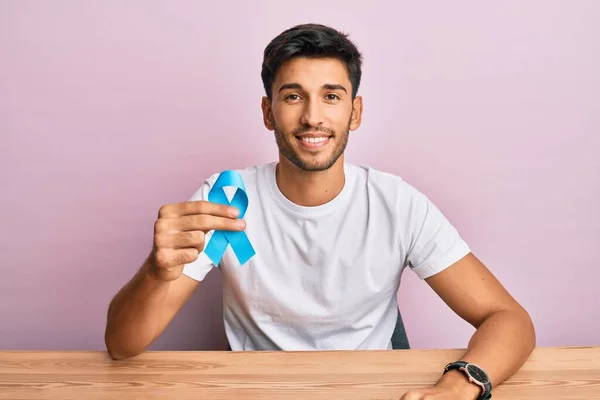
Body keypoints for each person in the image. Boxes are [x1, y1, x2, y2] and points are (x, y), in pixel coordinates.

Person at [105, 23, 536, 400]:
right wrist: (155, 273)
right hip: (259, 391)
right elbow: (122, 346)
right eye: (293, 96)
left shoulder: (396, 204)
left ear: (355, 112)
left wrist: (462, 384)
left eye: (331, 96)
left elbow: (509, 319)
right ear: (268, 112)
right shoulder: (228, 197)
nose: (313, 117)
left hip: (374, 389)